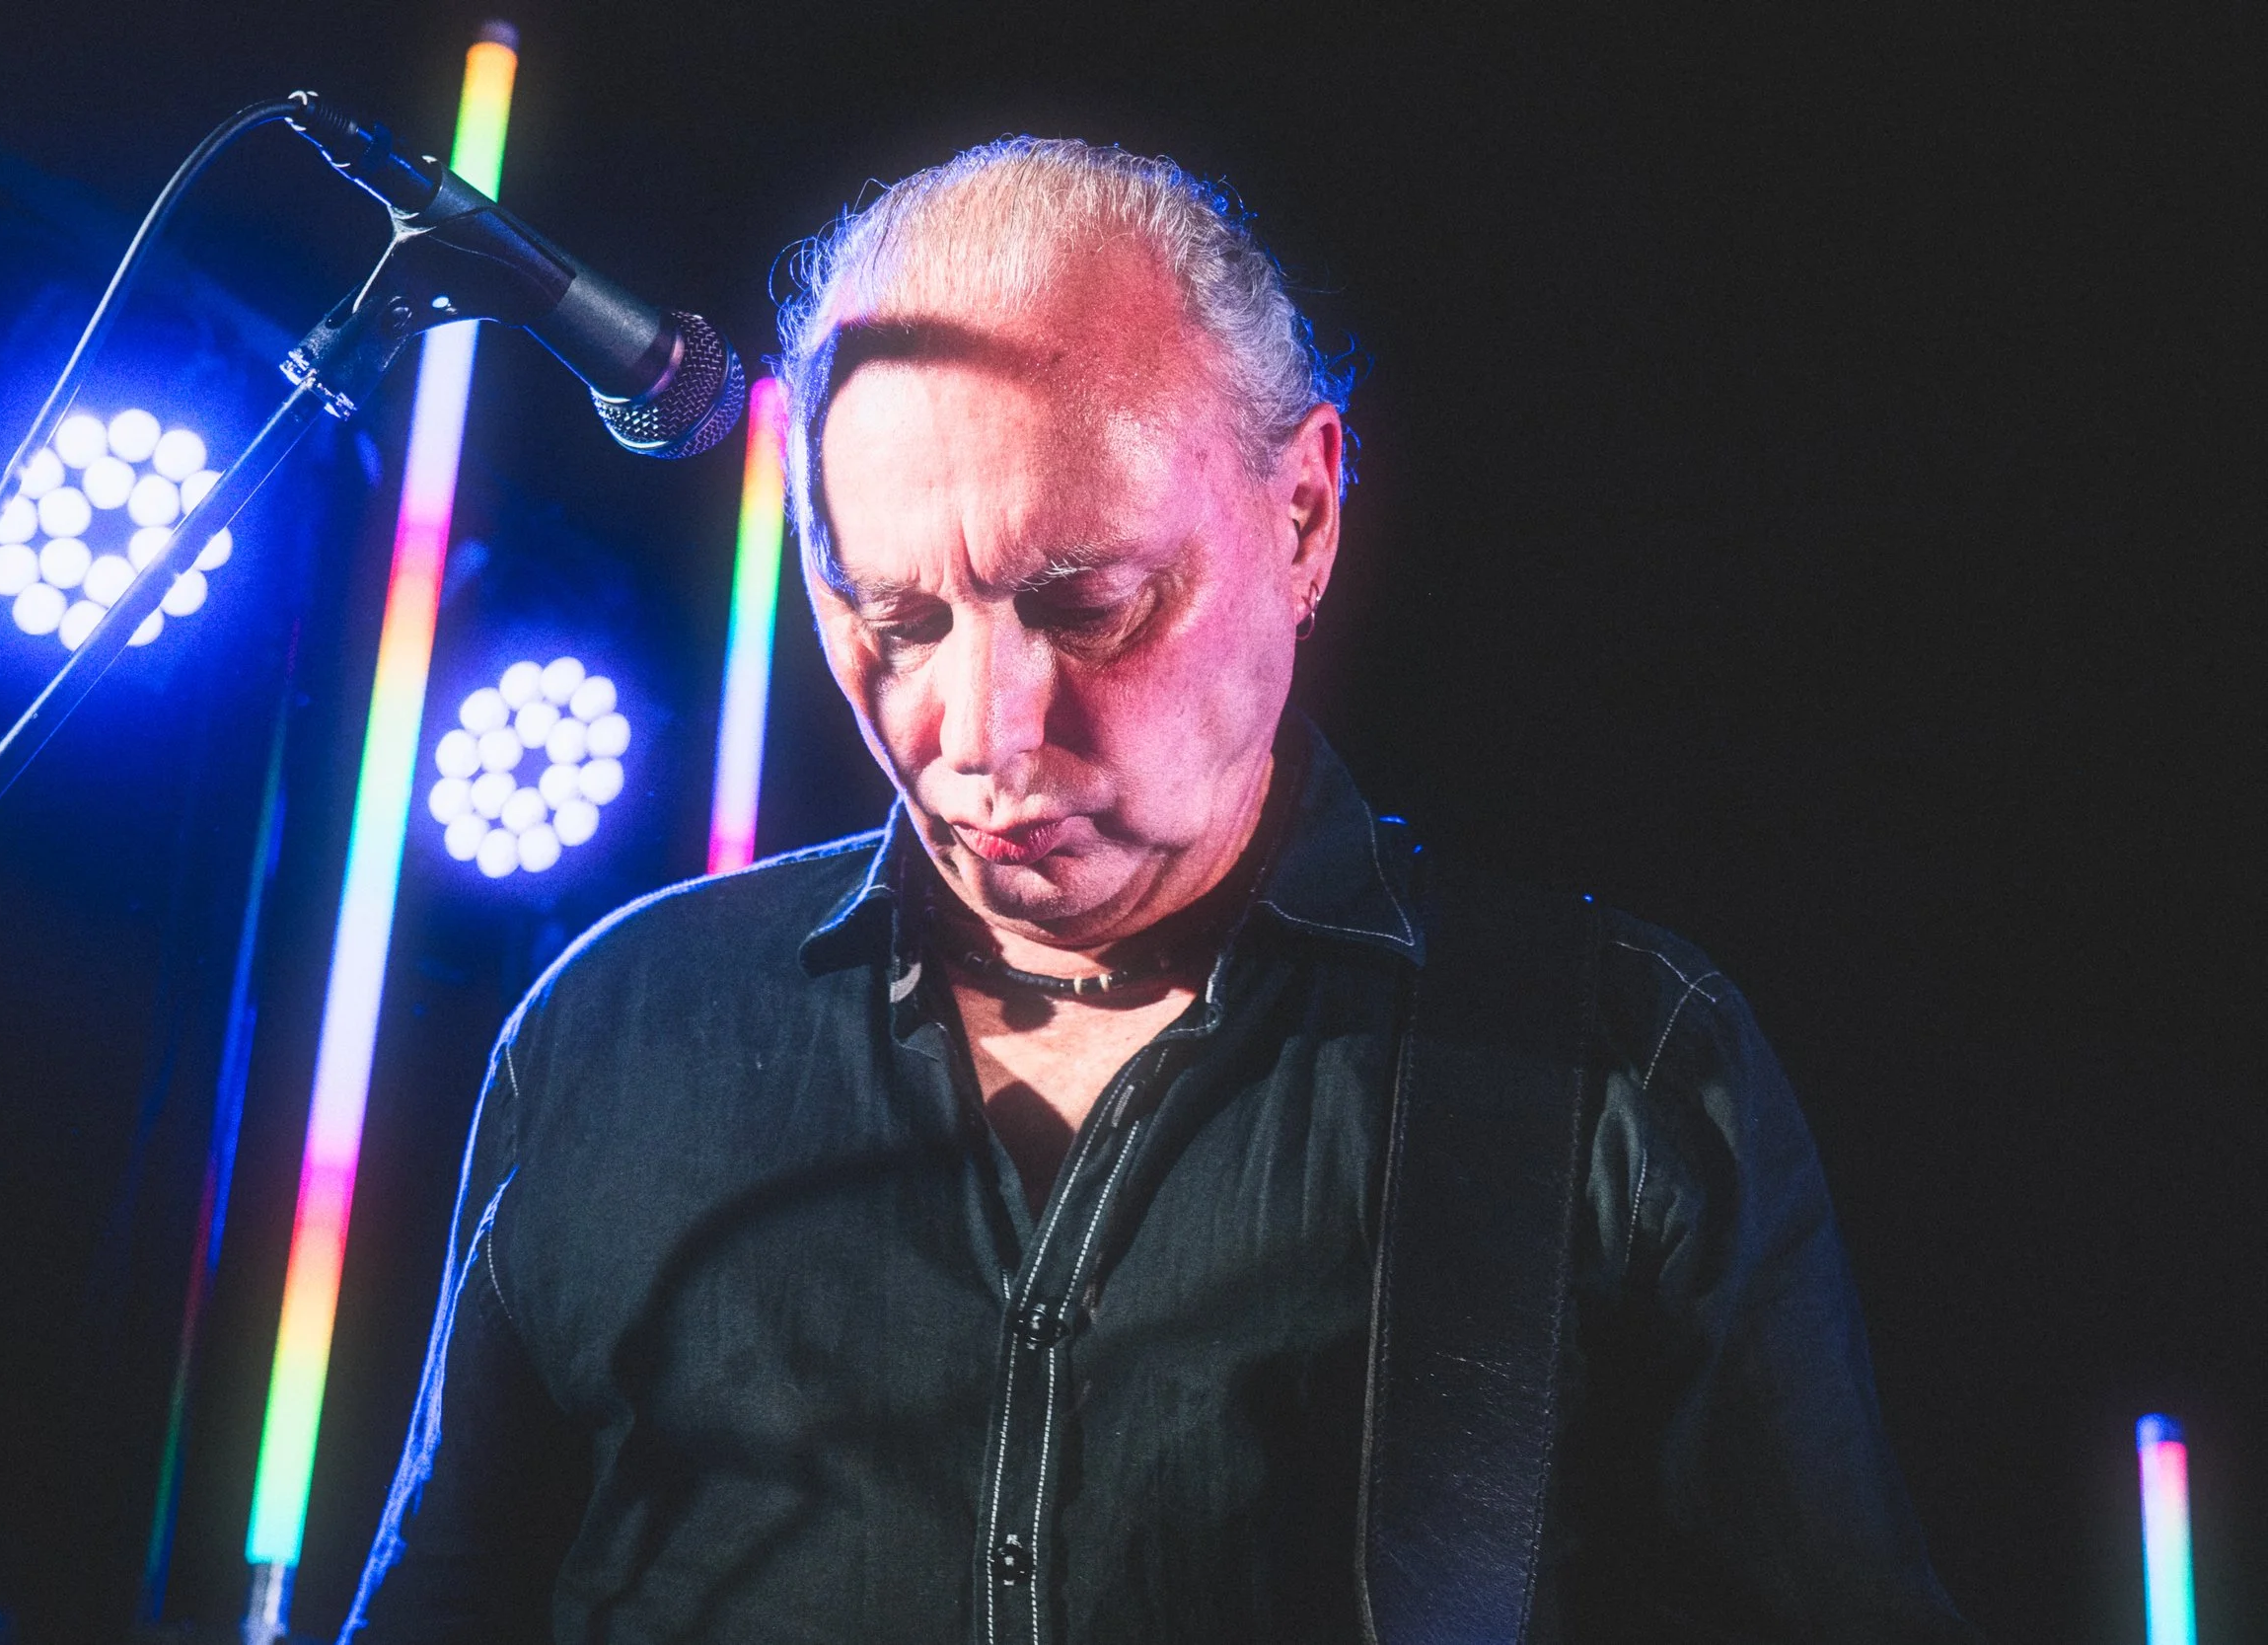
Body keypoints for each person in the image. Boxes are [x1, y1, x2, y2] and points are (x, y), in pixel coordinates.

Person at [343, 137, 1976, 1643]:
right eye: (895, 624)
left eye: (1090, 602)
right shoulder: (619, 1033)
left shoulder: (1616, 1065)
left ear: (1306, 516)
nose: (980, 734)